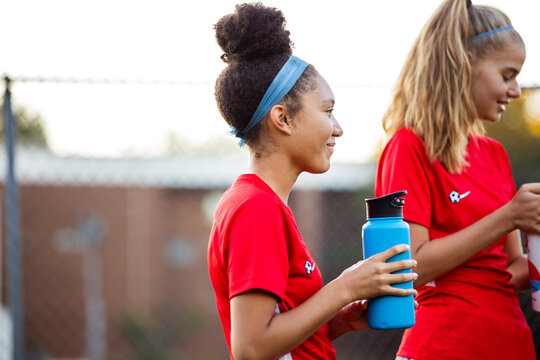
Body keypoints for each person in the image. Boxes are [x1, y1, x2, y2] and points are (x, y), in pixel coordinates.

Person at [207, 3, 418, 360]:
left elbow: (279, 335)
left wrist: (339, 321)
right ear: (283, 118)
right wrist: (344, 288)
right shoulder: (256, 208)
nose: (338, 128)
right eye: (327, 110)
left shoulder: (258, 202)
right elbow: (251, 347)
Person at [375, 0, 540, 359]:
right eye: (507, 75)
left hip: (512, 345)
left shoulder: (495, 154)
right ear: (465, 62)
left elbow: (508, 271)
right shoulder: (408, 146)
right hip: (442, 346)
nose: (515, 91)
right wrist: (509, 216)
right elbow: (410, 269)